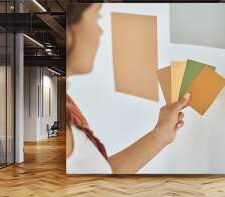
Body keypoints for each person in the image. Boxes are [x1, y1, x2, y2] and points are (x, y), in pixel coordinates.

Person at [66, 3, 190, 174]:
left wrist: (161, 135)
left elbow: (100, 173)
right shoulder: (65, 121)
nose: (100, 31)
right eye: (97, 17)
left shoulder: (67, 109)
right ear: (68, 28)